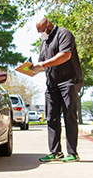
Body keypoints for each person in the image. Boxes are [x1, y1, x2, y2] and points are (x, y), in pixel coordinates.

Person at [30, 17, 83, 162]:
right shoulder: (44, 41)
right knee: (51, 117)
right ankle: (55, 152)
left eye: (42, 30)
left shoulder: (64, 34)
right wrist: (32, 69)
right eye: (38, 32)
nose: (41, 34)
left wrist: (43, 65)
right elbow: (42, 63)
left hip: (68, 81)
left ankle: (73, 153)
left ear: (49, 25)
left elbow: (65, 55)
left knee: (69, 117)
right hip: (52, 83)